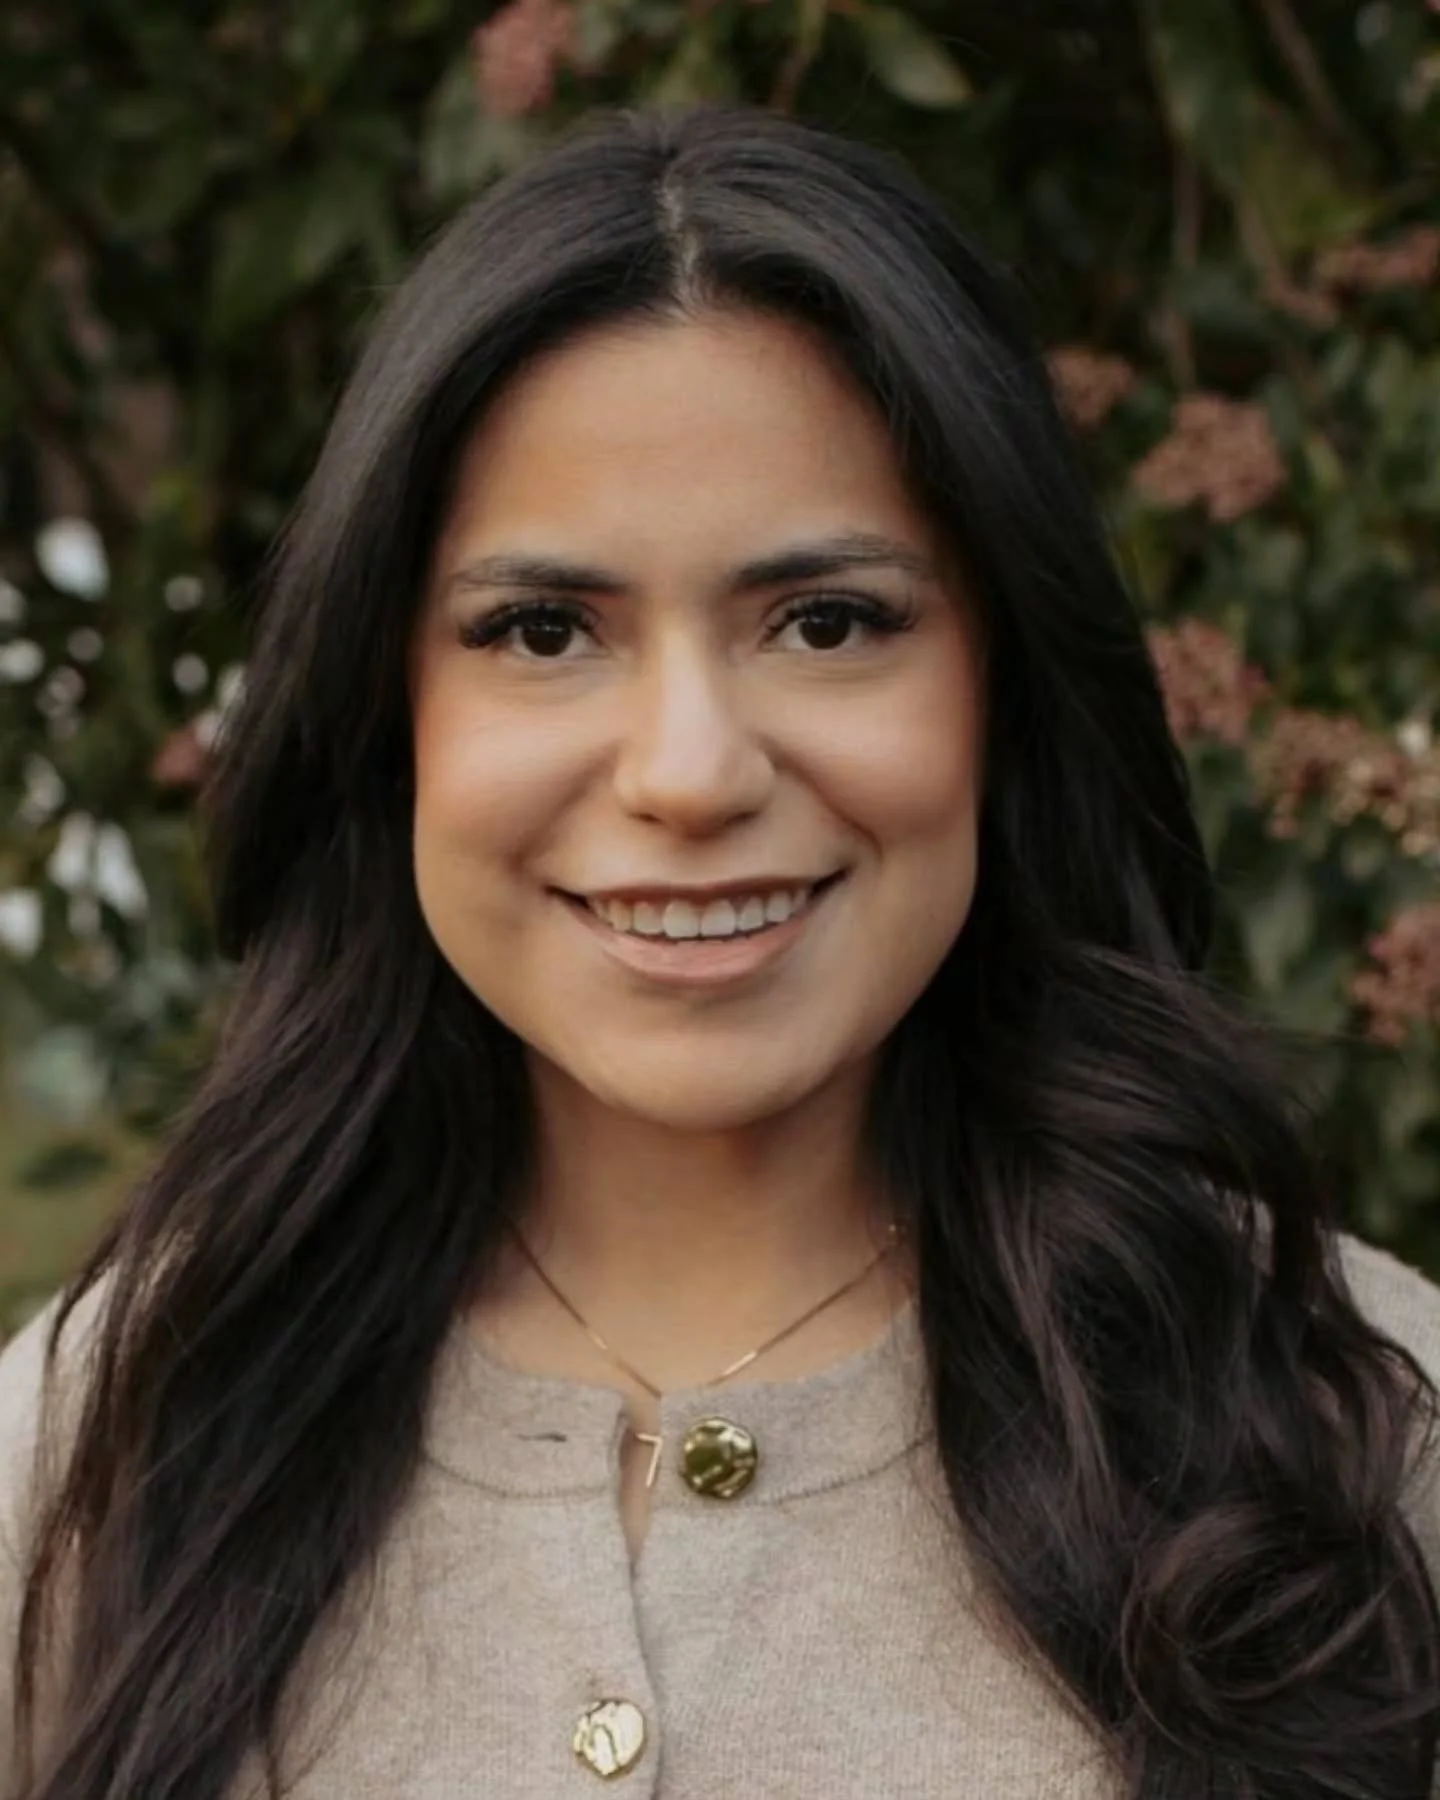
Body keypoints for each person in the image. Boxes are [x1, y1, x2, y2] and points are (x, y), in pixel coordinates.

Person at [1, 99, 1438, 1800]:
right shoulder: (112, 1437)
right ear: (390, 716)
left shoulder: (1356, 1438)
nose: (689, 775)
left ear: (1003, 686)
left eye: (827, 624)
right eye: (543, 631)